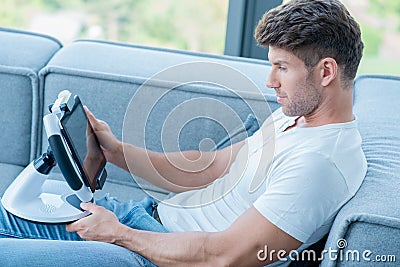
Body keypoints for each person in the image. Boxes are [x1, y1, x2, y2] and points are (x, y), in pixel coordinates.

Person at [0, 0, 367, 266]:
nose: (270, 81)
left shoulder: (319, 164)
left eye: (282, 68)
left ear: (326, 72)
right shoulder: (296, 118)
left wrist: (118, 234)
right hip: (144, 222)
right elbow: (209, 166)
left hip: (151, 256)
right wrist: (116, 151)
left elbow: (225, 256)